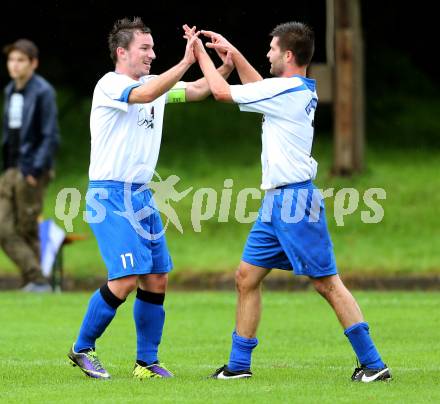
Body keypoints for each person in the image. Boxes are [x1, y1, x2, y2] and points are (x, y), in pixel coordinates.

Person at [190, 22, 391, 382]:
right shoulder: (288, 90)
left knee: (327, 283)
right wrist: (233, 55)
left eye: (270, 49)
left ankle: (374, 364)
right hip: (276, 203)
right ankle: (238, 367)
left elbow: (221, 93)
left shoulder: (289, 91)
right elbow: (257, 88)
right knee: (246, 277)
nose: (266, 54)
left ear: (287, 54)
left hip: (295, 200)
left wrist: (199, 53)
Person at [67, 17, 234, 380]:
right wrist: (186, 61)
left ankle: (146, 362)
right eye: (145, 48)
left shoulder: (153, 85)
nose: (152, 54)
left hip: (141, 196)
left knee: (157, 277)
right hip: (109, 195)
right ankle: (81, 348)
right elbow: (144, 95)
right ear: (121, 51)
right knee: (125, 279)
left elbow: (196, 91)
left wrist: (222, 66)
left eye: (154, 48)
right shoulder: (111, 85)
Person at [0, 39, 59, 293]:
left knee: (26, 227)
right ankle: (37, 279)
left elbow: (50, 135)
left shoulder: (43, 92)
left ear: (33, 63)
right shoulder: (10, 91)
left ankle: (35, 283)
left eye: (20, 60)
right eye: (11, 60)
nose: (14, 65)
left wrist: (35, 169)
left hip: (31, 170)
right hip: (10, 168)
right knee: (4, 227)